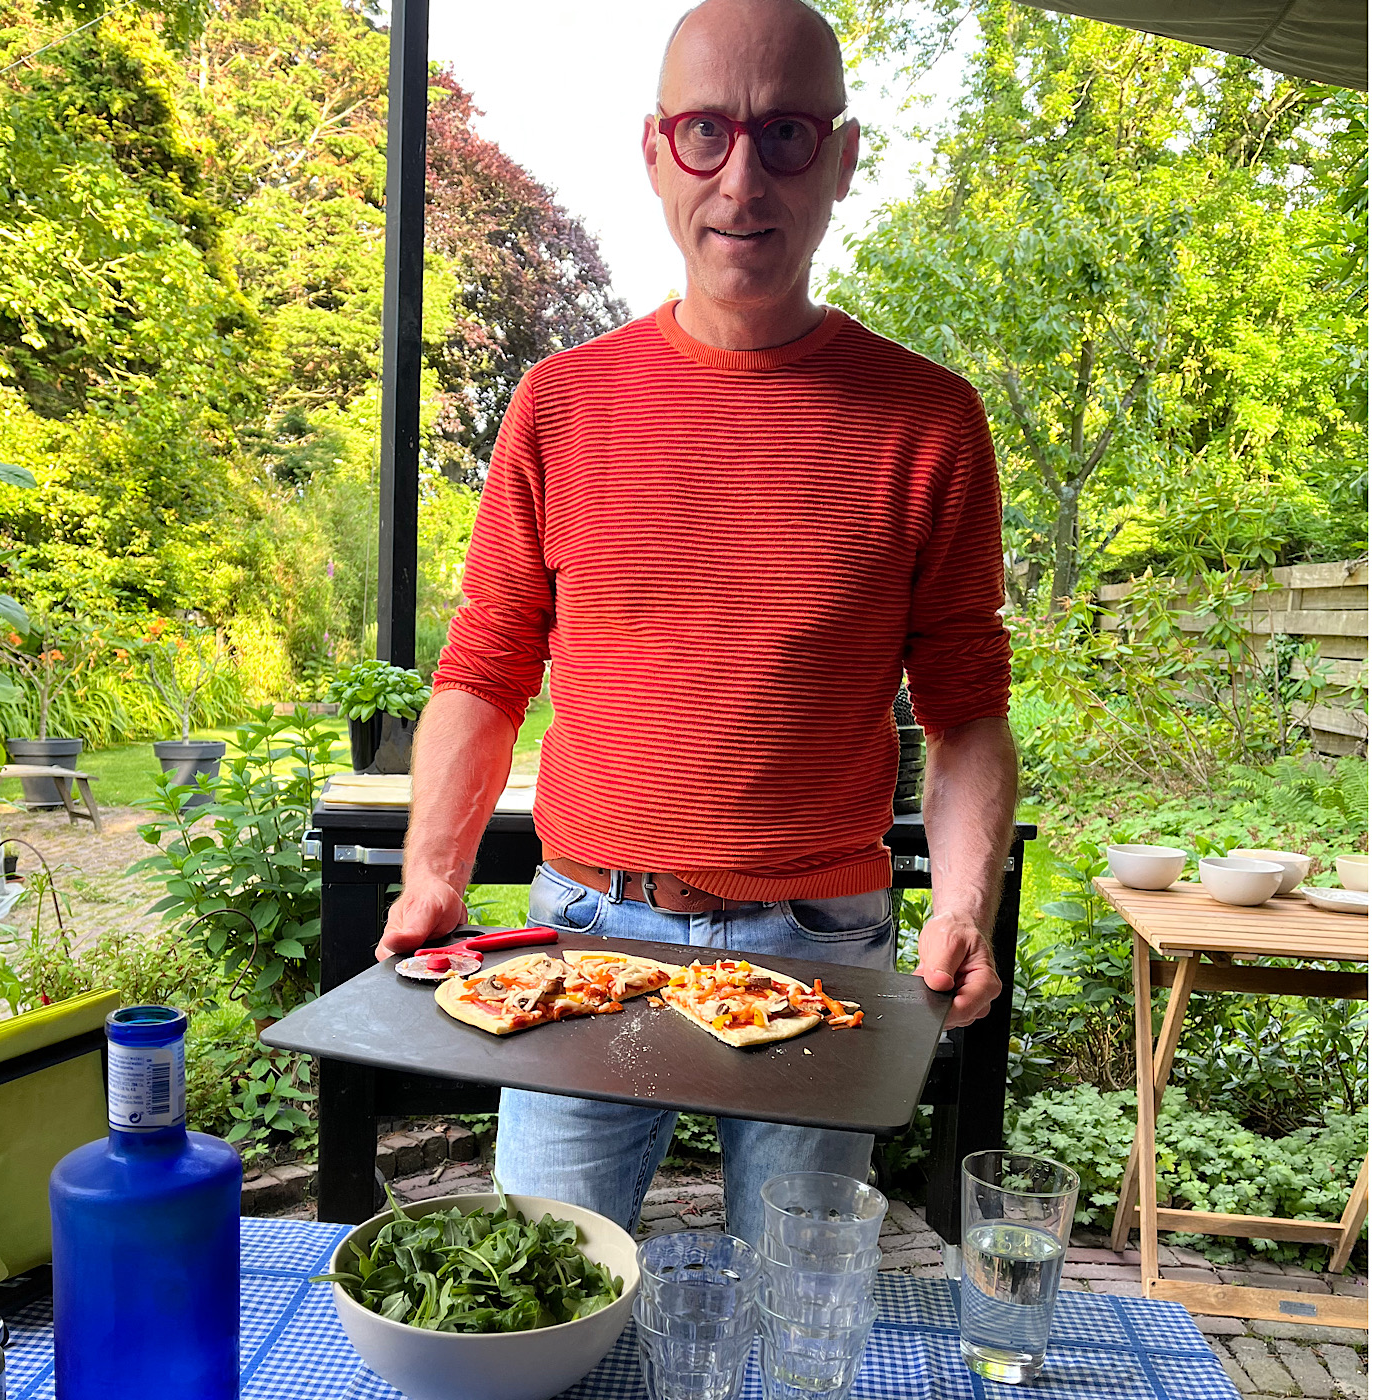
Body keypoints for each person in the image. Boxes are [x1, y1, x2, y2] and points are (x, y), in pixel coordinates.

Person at [377, 0, 1018, 1250]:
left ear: (840, 158)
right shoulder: (559, 403)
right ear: (654, 150)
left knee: (800, 1291)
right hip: (580, 929)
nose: (740, 178)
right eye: (705, 131)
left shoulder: (928, 421)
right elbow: (485, 667)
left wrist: (961, 903)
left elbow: (965, 711)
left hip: (819, 938)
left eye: (784, 134)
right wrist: (434, 872)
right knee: (543, 1277)